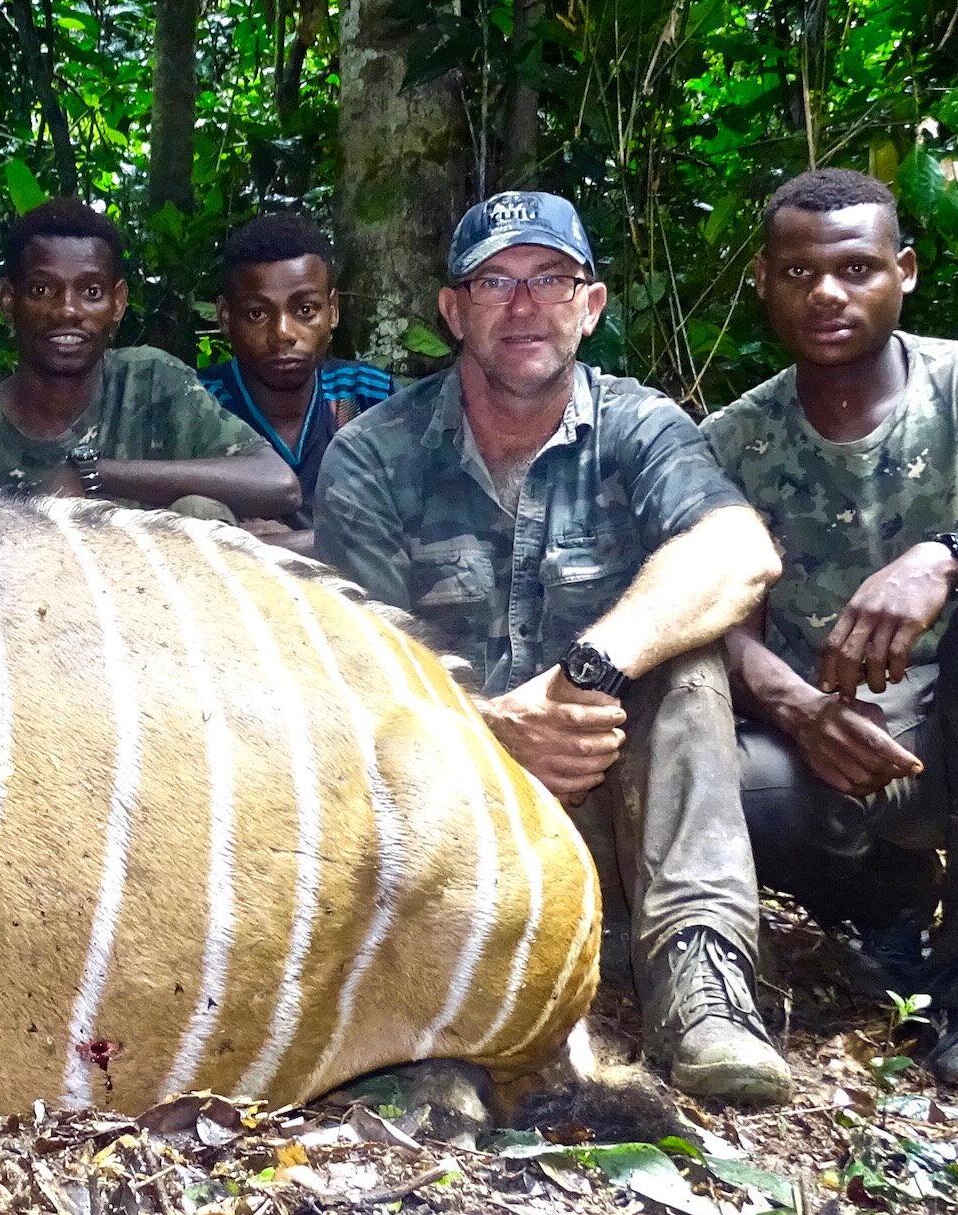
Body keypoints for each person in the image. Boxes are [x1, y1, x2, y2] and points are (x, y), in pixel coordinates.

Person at [317, 191, 792, 1102]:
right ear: (453, 311)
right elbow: (356, 676)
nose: (525, 304)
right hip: (449, 820)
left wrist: (586, 673)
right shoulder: (375, 454)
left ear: (592, 304)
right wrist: (492, 727)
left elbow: (738, 552)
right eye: (496, 281)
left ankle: (703, 990)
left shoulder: (638, 424)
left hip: (610, 813)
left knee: (689, 660)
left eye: (551, 279)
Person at [704, 169, 958, 1091]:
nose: (828, 293)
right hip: (832, 733)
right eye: (799, 273)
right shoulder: (734, 440)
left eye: (856, 267)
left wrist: (947, 559)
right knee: (731, 783)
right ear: (763, 281)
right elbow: (711, 619)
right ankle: (883, 909)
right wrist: (796, 705)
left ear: (904, 271)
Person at [0, 198, 302, 519]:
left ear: (118, 303)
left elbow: (277, 483)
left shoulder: (151, 384)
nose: (67, 310)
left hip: (164, 609)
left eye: (91, 292)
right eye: (42, 289)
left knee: (198, 510)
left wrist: (93, 477)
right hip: (27, 610)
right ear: (9, 300)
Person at [199, 213, 394, 520]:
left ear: (332, 311)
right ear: (225, 317)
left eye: (305, 310)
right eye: (256, 314)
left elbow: (416, 525)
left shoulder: (368, 395)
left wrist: (281, 544)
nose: (283, 334)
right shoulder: (201, 404)